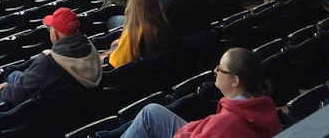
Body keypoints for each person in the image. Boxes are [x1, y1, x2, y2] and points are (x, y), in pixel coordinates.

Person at [0, 7, 102, 119]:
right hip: (69, 106)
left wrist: (3, 90)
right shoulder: (91, 49)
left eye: (50, 28)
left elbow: (17, 95)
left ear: (56, 35)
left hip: (38, 116)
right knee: (14, 75)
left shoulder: (49, 63)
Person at [120, 47, 281, 138]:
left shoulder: (226, 124)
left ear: (235, 81)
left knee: (149, 116)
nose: (215, 71)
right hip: (202, 131)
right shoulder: (265, 105)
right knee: (151, 112)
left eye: (220, 69)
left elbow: (219, 128)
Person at [105, 0, 177, 69]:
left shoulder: (134, 34)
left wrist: (104, 59)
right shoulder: (164, 27)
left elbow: (114, 64)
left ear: (131, 5)